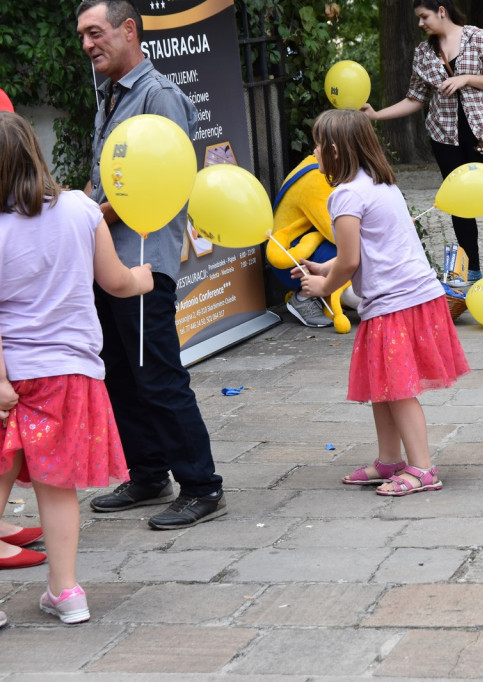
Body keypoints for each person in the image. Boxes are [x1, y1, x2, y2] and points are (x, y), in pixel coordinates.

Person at [0, 110, 155, 623]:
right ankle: (67, 593)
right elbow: (114, 281)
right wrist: (142, 279)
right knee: (57, 484)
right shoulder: (80, 211)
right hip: (70, 373)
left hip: (12, 373)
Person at [77, 0, 226, 528]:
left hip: (144, 261)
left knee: (157, 374)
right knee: (119, 370)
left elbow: (165, 180)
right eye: (83, 36)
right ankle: (148, 473)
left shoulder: (158, 96)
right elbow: (110, 176)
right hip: (108, 259)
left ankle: (202, 485)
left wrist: (89, 215)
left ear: (128, 29)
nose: (89, 44)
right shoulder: (111, 94)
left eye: (96, 32)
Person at [294, 109, 470, 495]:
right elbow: (367, 249)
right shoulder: (379, 184)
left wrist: (324, 288)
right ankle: (389, 460)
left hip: (394, 304)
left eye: (318, 146)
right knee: (384, 385)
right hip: (417, 298)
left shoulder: (344, 195)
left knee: (399, 388)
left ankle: (422, 468)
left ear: (335, 151)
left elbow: (352, 261)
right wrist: (324, 268)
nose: (315, 153)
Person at [361, 0, 483, 288]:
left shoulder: (478, 37)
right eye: (417, 19)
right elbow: (415, 99)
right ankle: (471, 268)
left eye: (424, 17)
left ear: (441, 10)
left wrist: (464, 79)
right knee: (459, 202)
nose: (420, 24)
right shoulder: (423, 53)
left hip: (482, 133)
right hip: (444, 137)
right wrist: (377, 114)